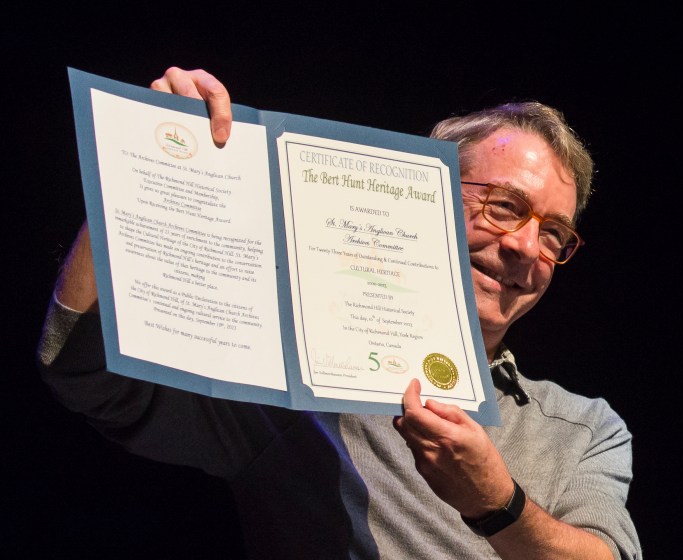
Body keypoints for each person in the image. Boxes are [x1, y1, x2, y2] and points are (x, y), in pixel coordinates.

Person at [37, 67, 642, 559]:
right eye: (504, 207)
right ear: (423, 195)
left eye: (555, 233)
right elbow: (86, 372)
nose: (525, 247)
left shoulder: (582, 426)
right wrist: (137, 159)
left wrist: (496, 501)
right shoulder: (308, 380)